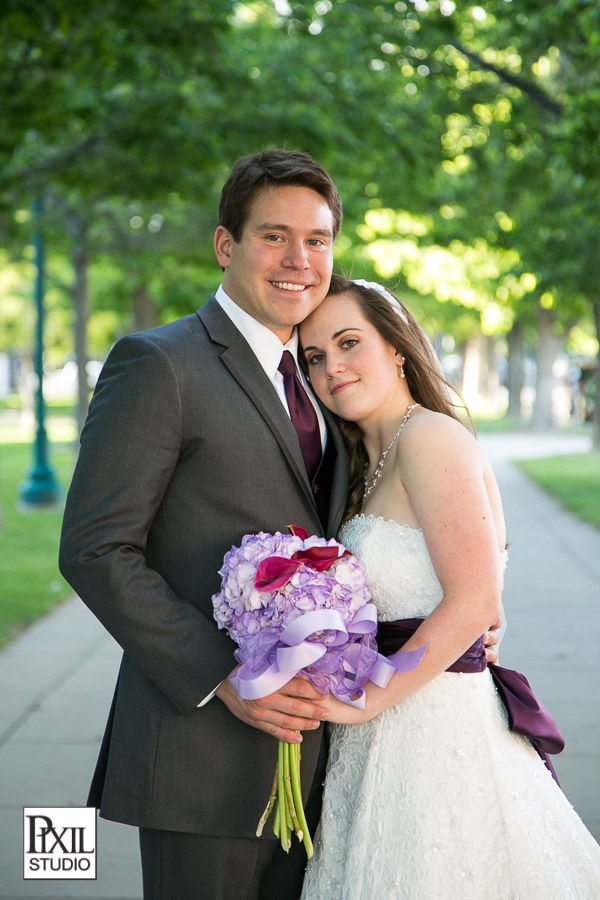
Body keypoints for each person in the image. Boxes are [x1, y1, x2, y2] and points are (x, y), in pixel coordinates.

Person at [58, 149, 500, 900]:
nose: (299, 259)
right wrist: (226, 677)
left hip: (329, 766)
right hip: (200, 760)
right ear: (227, 246)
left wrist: (460, 610)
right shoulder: (158, 364)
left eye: (318, 240)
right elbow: (96, 548)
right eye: (274, 236)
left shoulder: (329, 385)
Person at [297, 275, 600, 899]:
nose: (333, 368)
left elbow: (474, 602)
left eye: (350, 343)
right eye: (316, 357)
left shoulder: (430, 438)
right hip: (379, 735)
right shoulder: (363, 461)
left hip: (430, 731)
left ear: (398, 348)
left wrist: (368, 700)